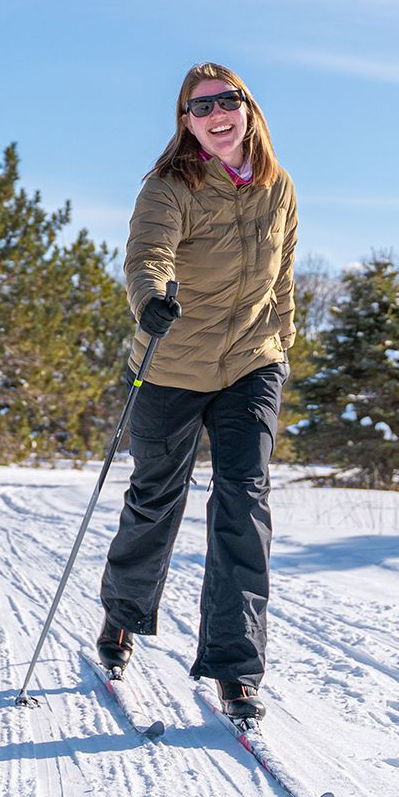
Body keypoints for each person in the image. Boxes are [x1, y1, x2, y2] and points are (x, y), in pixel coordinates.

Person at [96, 63, 297, 722]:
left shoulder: (278, 187)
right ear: (185, 120)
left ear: (247, 107)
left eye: (226, 101)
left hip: (249, 362)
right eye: (199, 106)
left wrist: (282, 347)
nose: (216, 115)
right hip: (171, 363)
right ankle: (123, 616)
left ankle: (236, 667)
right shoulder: (168, 187)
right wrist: (151, 299)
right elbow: (147, 256)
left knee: (244, 497)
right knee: (157, 497)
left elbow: (284, 274)